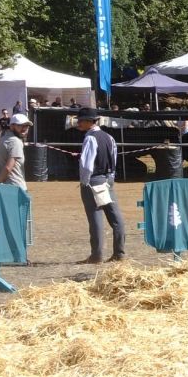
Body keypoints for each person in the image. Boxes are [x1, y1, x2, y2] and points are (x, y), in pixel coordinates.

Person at [74, 107, 125, 263]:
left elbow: (87, 164)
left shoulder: (90, 138)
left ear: (89, 121)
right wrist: (110, 177)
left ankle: (97, 255)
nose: (78, 123)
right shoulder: (109, 137)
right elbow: (114, 159)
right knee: (115, 217)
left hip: (94, 180)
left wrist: (84, 182)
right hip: (108, 179)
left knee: (95, 217)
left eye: (80, 120)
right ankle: (119, 253)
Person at [0, 112, 28, 190]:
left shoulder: (2, 139)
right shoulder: (15, 142)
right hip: (16, 188)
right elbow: (8, 167)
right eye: (20, 125)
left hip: (4, 188)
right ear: (11, 126)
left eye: (26, 125)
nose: (24, 129)